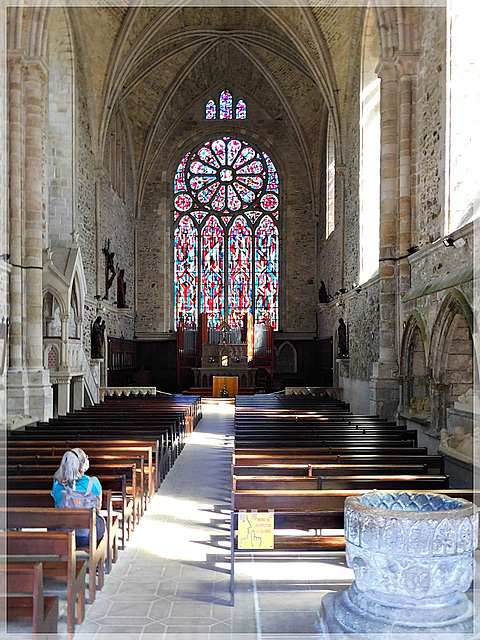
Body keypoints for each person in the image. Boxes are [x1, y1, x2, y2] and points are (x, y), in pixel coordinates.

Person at [51, 448, 105, 548]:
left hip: (63, 535)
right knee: (101, 522)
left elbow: (56, 505)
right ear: (82, 465)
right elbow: (98, 509)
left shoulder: (57, 485)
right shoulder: (94, 482)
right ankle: (101, 559)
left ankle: (65, 557)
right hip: (88, 536)